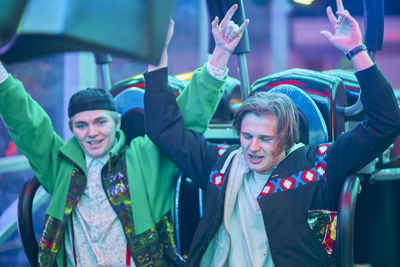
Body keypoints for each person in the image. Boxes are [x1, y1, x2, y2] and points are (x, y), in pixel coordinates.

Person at [144, 0, 400, 266]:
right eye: (246, 136)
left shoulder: (319, 165)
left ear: (287, 135)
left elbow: (386, 123)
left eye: (265, 139)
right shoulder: (222, 165)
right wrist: (164, 52)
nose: (253, 147)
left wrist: (356, 50)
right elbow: (163, 129)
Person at [0, 5, 248, 267]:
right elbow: (27, 123)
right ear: (72, 128)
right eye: (82, 125)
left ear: (117, 123)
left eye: (100, 122)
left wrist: (220, 53)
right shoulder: (60, 165)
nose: (92, 132)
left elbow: (183, 119)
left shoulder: (143, 158)